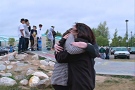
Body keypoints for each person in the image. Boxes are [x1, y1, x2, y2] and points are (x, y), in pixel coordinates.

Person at [53, 23, 99, 90]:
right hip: (82, 81)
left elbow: (61, 56)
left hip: (77, 82)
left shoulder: (79, 47)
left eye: (74, 31)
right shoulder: (87, 46)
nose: (72, 32)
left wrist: (61, 43)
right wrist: (59, 44)